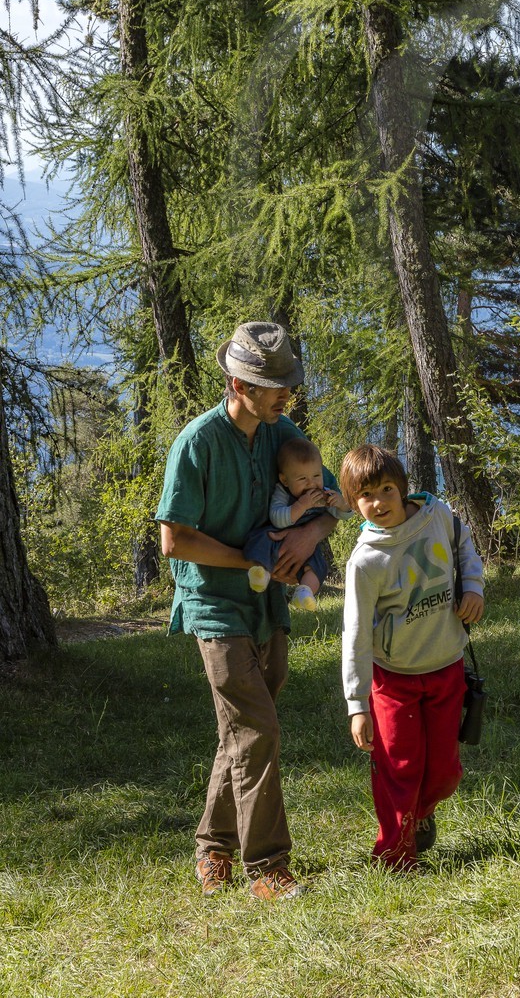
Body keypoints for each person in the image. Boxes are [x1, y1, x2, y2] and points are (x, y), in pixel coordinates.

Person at [156, 320, 339, 901]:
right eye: (275, 384)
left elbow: (333, 499)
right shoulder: (197, 441)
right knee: (257, 726)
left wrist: (310, 540)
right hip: (214, 601)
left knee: (243, 730)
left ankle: (212, 849)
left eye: (287, 383)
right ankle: (268, 868)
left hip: (267, 603)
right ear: (240, 384)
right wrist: (249, 562)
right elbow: (174, 539)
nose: (288, 393)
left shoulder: (281, 431)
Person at [339, 445, 484, 872]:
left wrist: (473, 586)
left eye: (387, 489)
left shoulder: (437, 516)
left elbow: (464, 547)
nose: (379, 502)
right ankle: (395, 855)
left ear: (403, 488)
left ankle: (421, 815)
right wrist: (358, 704)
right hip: (394, 679)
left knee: (444, 771)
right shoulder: (365, 562)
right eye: (366, 495)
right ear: (353, 503)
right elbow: (356, 635)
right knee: (400, 767)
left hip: (447, 666)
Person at [244, 436, 352, 611]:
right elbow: (277, 518)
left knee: (318, 565)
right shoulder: (283, 492)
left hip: (308, 545)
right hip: (277, 536)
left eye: (317, 475)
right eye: (302, 479)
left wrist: (341, 504)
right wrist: (301, 505)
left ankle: (304, 592)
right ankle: (261, 574)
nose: (311, 483)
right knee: (259, 540)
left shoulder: (323, 493)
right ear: (285, 480)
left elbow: (342, 514)